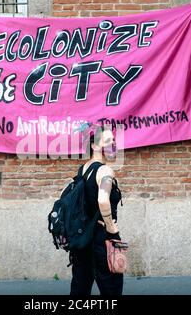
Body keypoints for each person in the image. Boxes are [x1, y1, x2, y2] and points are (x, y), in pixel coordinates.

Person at [70, 124, 123, 295]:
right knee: (111, 286)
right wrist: (111, 226)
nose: (112, 145)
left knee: (80, 287)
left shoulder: (83, 169)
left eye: (113, 141)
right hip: (102, 237)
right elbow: (102, 199)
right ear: (94, 146)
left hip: (82, 238)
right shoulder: (105, 170)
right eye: (107, 141)